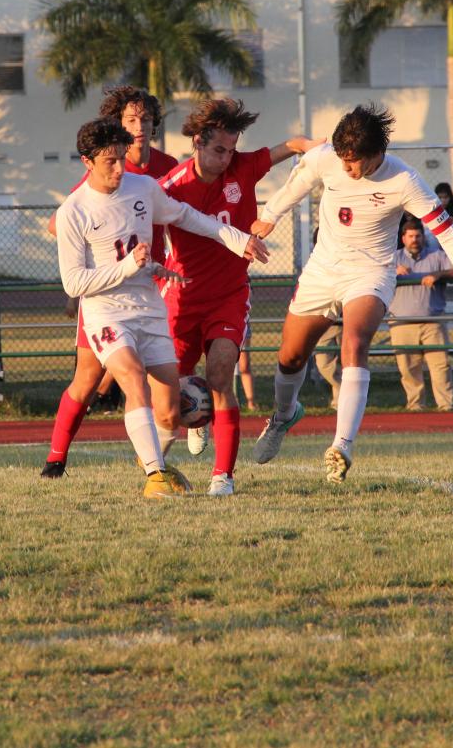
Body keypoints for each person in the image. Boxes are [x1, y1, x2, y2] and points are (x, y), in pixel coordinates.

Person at [250, 104, 453, 483]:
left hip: (370, 273)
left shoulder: (405, 180)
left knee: (354, 343)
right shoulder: (326, 158)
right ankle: (284, 414)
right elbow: (297, 183)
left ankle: (341, 446)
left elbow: (449, 234)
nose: (347, 169)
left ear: (376, 153)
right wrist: (269, 216)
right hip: (322, 269)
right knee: (290, 356)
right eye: (343, 161)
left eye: (355, 163)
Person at [56, 117, 267, 498]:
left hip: (149, 307)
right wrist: (126, 267)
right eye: (110, 162)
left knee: (170, 408)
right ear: (87, 162)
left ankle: (158, 458)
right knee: (132, 376)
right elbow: (73, 283)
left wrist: (236, 238)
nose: (120, 168)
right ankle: (155, 474)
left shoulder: (143, 188)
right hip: (106, 311)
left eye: (122, 158)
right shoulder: (74, 211)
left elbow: (186, 216)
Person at [126, 97, 315, 495]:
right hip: (181, 297)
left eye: (231, 150)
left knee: (219, 376)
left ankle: (222, 477)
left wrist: (323, 151)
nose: (227, 158)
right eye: (219, 150)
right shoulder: (171, 188)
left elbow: (295, 144)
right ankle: (163, 463)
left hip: (229, 295)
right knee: (168, 403)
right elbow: (134, 223)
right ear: (197, 142)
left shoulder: (243, 168)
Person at [41, 86, 179, 478]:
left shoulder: (168, 166)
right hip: (107, 294)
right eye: (130, 120)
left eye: (146, 119)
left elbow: (181, 214)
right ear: (118, 126)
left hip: (153, 286)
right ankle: (56, 457)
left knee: (168, 378)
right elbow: (64, 222)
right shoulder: (105, 168)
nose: (139, 127)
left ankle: (169, 442)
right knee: (88, 380)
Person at [388, 215, 453, 412]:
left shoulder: (436, 256)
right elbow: (370, 273)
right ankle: (415, 406)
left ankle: (446, 406)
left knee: (440, 365)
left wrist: (439, 274)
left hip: (432, 320)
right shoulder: (392, 258)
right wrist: (392, 272)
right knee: (408, 368)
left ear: (423, 237)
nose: (415, 240)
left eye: (418, 236)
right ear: (403, 238)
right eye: (410, 236)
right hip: (402, 322)